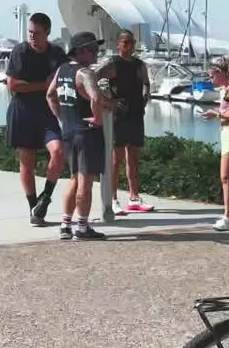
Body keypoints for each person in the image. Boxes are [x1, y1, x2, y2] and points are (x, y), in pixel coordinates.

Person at [5, 12, 68, 225]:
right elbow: (12, 85)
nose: (32, 37)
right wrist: (45, 84)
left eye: (37, 33)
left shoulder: (57, 53)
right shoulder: (20, 51)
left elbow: (66, 78)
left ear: (47, 33)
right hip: (22, 111)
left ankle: (46, 197)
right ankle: (34, 209)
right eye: (30, 32)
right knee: (27, 163)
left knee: (58, 151)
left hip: (48, 112)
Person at [46, 32, 108, 240]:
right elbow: (96, 97)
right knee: (85, 181)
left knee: (73, 178)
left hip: (69, 131)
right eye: (92, 50)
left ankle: (65, 224)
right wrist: (97, 119)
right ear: (80, 51)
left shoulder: (62, 70)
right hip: (86, 132)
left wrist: (62, 118)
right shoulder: (84, 73)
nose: (95, 54)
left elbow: (50, 94)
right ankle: (82, 227)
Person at [99, 29, 155, 214]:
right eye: (125, 42)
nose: (129, 46)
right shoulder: (113, 64)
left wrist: (146, 97)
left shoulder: (139, 64)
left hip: (136, 114)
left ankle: (134, 197)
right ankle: (113, 199)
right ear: (118, 44)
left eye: (132, 42)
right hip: (119, 115)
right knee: (116, 159)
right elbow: (93, 78)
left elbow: (146, 83)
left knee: (134, 157)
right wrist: (108, 100)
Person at [201, 55, 229, 231]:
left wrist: (217, 114)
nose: (211, 79)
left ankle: (227, 216)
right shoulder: (227, 89)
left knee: (225, 176)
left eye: (213, 75)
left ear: (221, 72)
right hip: (228, 133)